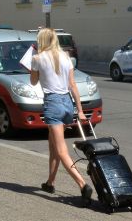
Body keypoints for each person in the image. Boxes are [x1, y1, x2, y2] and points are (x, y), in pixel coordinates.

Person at [29, 28, 92, 206]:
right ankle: (50, 182)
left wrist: (32, 64)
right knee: (53, 146)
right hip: (67, 103)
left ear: (41, 41)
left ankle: (82, 184)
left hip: (53, 103)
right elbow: (73, 85)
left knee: (61, 151)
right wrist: (79, 110)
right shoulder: (65, 56)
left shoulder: (37, 58)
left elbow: (33, 82)